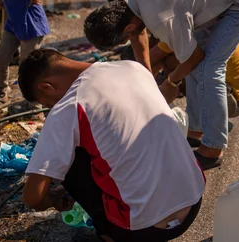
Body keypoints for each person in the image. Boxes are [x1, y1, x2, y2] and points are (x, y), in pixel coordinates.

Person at [83, 0, 239, 169]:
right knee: (196, 65)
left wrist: (170, 83)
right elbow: (138, 34)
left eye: (124, 38)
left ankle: (214, 148)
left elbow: (193, 57)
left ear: (126, 28)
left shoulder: (162, 18)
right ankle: (197, 129)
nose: (128, 39)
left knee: (209, 67)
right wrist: (146, 82)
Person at [19, 49, 204, 242]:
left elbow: (33, 198)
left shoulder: (69, 106)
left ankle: (109, 234)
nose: (53, 107)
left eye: (48, 103)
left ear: (46, 87)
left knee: (70, 156)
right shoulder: (134, 68)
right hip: (193, 202)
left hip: (145, 229)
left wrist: (53, 199)